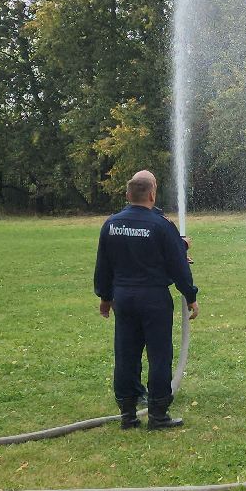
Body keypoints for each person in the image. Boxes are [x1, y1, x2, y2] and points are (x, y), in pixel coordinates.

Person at [94, 169, 198, 430]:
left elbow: (103, 265)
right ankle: (158, 415)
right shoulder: (161, 225)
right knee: (159, 354)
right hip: (154, 299)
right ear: (152, 195)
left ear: (127, 195)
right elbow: (178, 265)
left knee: (125, 354)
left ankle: (128, 415)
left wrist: (105, 297)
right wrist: (190, 295)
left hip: (123, 299)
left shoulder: (111, 224)